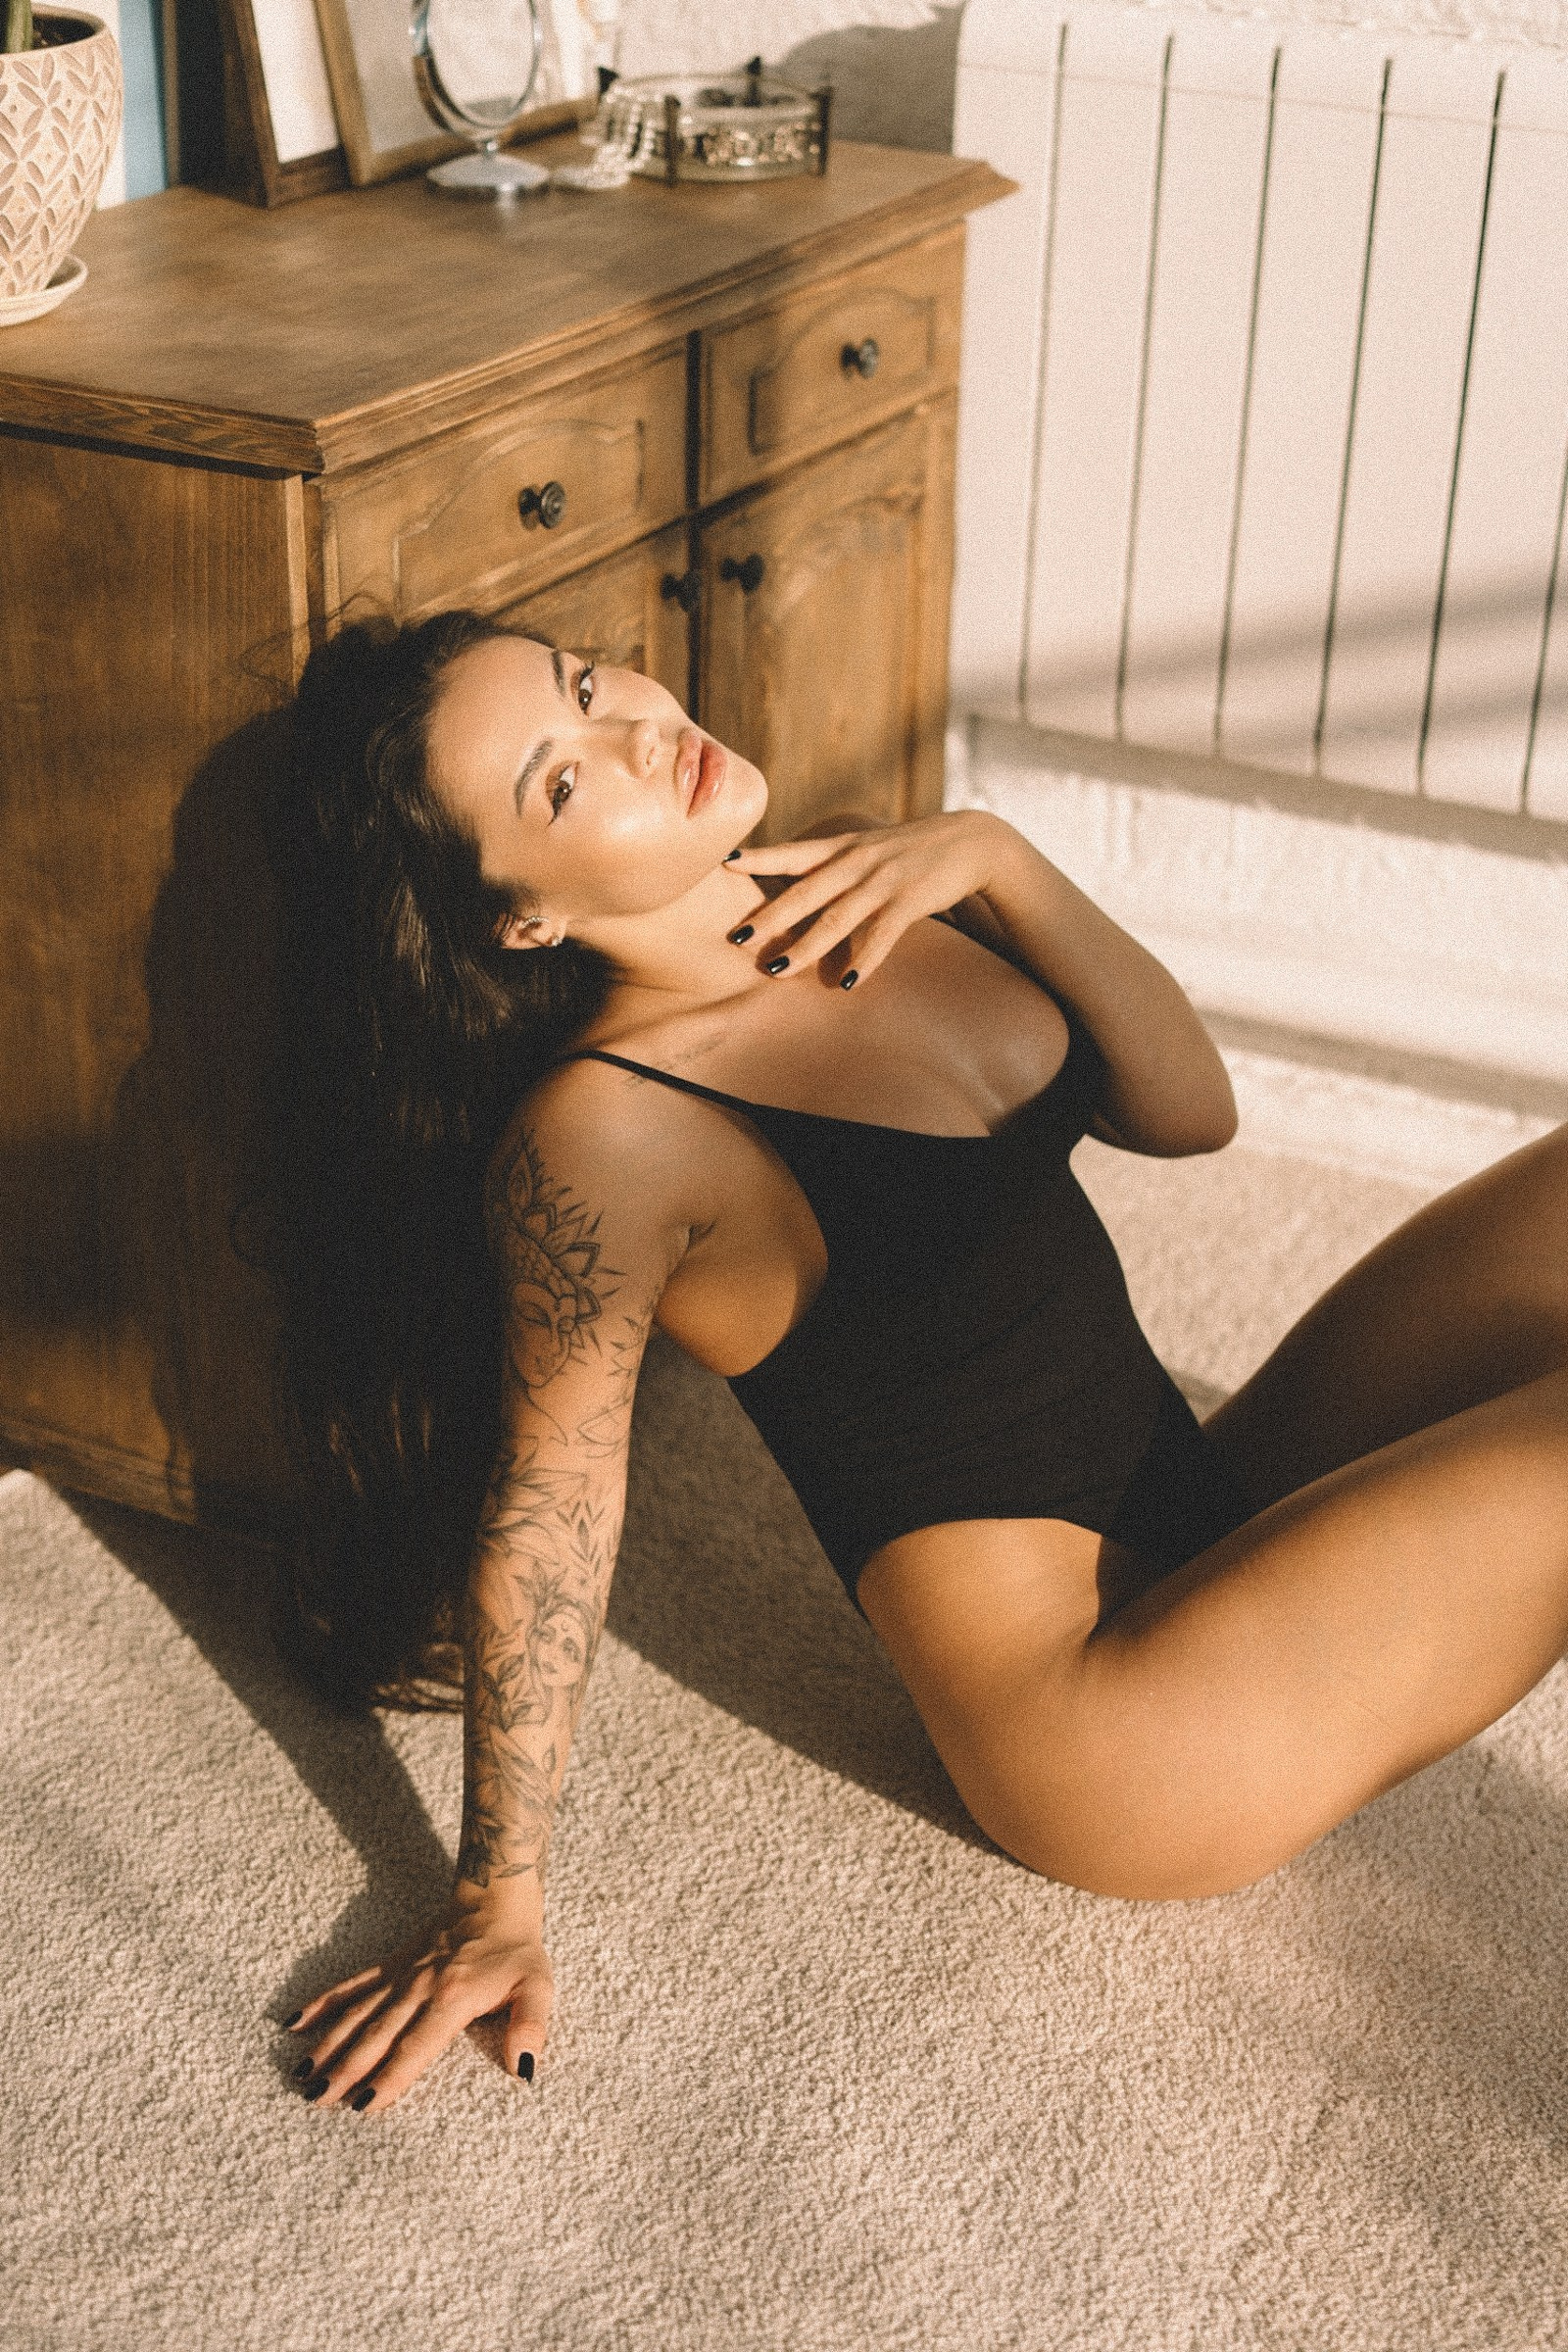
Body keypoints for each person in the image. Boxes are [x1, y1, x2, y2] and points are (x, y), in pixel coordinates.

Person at [271, 610, 1568, 2118]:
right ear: (523, 920)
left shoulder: (852, 887)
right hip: (1116, 1726)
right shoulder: (609, 1133)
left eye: (584, 681)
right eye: (560, 781)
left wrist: (999, 858)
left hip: (1210, 1513)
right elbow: (551, 1502)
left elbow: (1190, 1114)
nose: (633, 728)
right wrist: (495, 1900)